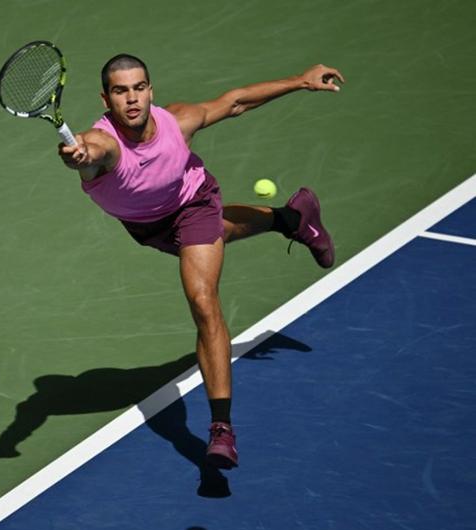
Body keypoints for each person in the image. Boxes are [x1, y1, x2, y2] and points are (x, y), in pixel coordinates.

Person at [58, 54, 344, 470]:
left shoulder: (176, 122)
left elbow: (236, 102)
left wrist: (301, 80)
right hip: (148, 227)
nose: (132, 99)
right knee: (222, 234)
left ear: (151, 90)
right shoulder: (101, 144)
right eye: (121, 91)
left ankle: (221, 430)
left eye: (139, 88)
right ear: (106, 98)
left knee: (202, 297)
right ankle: (293, 218)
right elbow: (90, 149)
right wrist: (77, 155)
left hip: (193, 202)